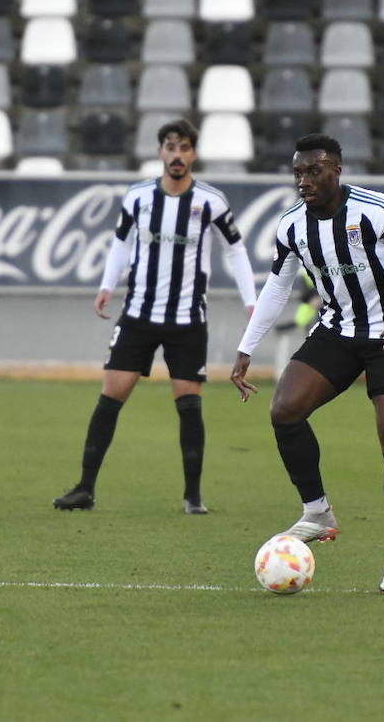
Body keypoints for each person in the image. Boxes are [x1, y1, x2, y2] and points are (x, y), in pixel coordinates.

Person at [231, 134, 384, 595]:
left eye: (314, 171)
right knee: (284, 410)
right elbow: (277, 288)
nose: (304, 181)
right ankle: (317, 512)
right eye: (298, 173)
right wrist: (247, 347)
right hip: (337, 331)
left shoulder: (375, 210)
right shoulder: (291, 226)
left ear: (336, 171)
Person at [53, 118, 256, 514]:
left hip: (187, 319)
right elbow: (121, 242)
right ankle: (85, 488)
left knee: (189, 403)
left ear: (193, 154)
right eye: (170, 147)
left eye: (184, 148)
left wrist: (251, 300)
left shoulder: (211, 201)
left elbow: (236, 250)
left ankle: (193, 496)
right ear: (160, 152)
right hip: (139, 314)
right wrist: (106, 285)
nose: (177, 155)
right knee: (111, 395)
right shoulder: (138, 198)